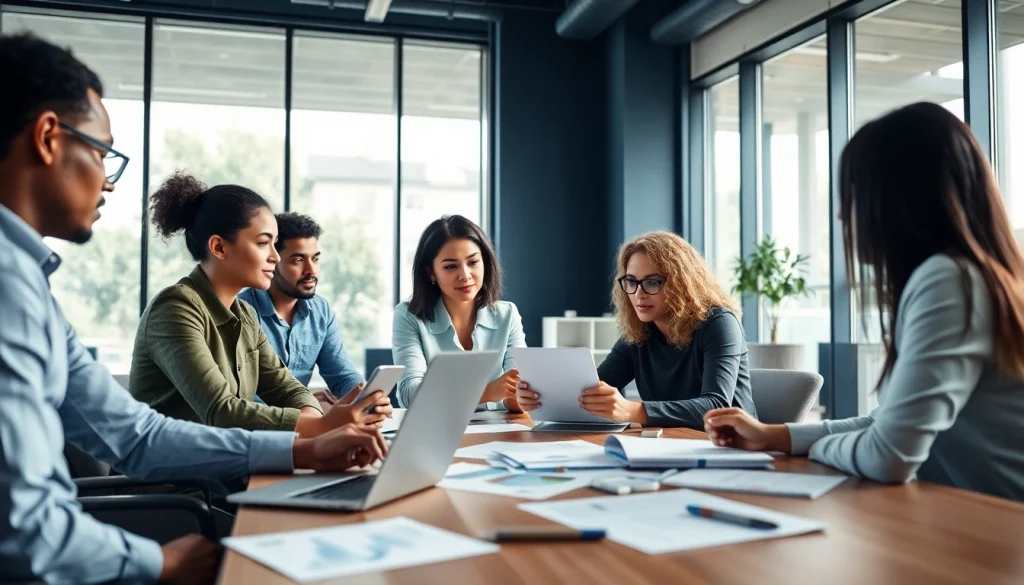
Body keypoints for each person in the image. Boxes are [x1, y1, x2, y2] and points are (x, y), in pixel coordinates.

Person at [0, 32, 387, 585]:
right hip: (168, 505)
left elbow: (138, 435)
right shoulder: (15, 290)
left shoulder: (30, 287)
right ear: (46, 138)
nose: (108, 180)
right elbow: (23, 528)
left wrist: (308, 449)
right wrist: (158, 563)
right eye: (102, 152)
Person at [703, 102, 1024, 501]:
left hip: (998, 532)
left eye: (852, 195)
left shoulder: (950, 280)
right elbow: (886, 423)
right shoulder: (973, 277)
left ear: (898, 198)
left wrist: (812, 449)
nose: (841, 214)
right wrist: (777, 436)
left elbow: (887, 454)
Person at [129, 173, 389, 436]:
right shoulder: (175, 308)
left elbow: (287, 388)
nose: (275, 257)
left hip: (228, 466)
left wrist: (312, 418)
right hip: (171, 475)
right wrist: (319, 425)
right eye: (264, 243)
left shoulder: (246, 315)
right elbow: (222, 411)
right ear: (219, 247)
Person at [517, 231, 757, 429]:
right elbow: (595, 388)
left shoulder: (719, 323)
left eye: (652, 282)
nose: (638, 293)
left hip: (732, 446)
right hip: (668, 445)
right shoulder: (639, 331)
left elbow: (716, 406)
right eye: (631, 282)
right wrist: (541, 396)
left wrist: (633, 410)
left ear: (682, 284)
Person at [238, 213, 382, 414]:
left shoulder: (320, 311)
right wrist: (305, 408)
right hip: (256, 432)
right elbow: (238, 399)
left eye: (315, 259)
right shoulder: (240, 311)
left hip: (303, 422)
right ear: (272, 261)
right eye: (298, 260)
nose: (311, 270)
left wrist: (364, 397)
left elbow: (340, 375)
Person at [392, 215, 525, 411]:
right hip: (433, 432)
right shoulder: (408, 316)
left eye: (473, 262)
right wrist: (485, 392)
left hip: (497, 431)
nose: (465, 275)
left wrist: (520, 397)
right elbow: (409, 395)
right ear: (431, 273)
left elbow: (518, 390)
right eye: (450, 266)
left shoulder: (507, 314)